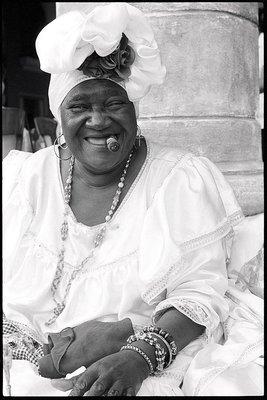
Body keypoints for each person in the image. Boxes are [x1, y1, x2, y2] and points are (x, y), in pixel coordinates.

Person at [3, 3, 263, 396]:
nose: (98, 120)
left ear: (134, 110)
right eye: (79, 106)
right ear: (60, 115)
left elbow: (199, 290)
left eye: (113, 104)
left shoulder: (176, 179)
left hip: (145, 342)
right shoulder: (26, 177)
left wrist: (139, 355)